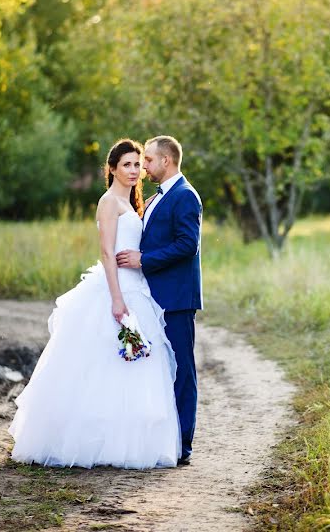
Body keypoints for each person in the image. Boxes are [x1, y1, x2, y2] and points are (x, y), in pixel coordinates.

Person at [8, 139, 181, 469]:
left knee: (137, 363)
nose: (134, 171)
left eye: (137, 165)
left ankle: (129, 439)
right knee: (101, 363)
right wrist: (117, 299)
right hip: (116, 290)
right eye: (127, 164)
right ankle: (90, 442)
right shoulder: (108, 202)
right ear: (112, 168)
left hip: (137, 288)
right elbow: (106, 253)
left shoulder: (131, 204)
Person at [116, 135, 202, 466]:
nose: (143, 166)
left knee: (182, 370)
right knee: (159, 367)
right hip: (154, 298)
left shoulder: (184, 196)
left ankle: (183, 444)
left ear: (166, 161)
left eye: (148, 160)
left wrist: (144, 259)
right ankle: (161, 438)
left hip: (177, 298)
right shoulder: (156, 198)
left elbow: (187, 245)